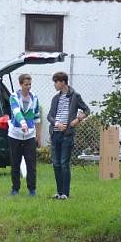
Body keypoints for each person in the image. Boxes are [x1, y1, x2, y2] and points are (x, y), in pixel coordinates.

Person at [47, 71, 91, 200]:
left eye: (56, 82)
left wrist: (77, 120)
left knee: (64, 163)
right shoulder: (55, 98)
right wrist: (57, 123)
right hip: (55, 133)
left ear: (63, 82)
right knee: (56, 163)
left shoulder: (75, 96)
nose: (55, 85)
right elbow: (49, 116)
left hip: (67, 134)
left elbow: (87, 110)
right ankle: (59, 192)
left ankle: (66, 193)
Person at [7, 74, 41, 196]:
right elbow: (16, 111)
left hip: (30, 135)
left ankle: (32, 189)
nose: (28, 87)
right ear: (20, 84)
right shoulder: (14, 97)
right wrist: (22, 123)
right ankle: (15, 188)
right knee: (15, 162)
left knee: (31, 163)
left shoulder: (35, 98)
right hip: (15, 134)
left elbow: (37, 117)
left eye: (30, 84)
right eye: (26, 84)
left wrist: (38, 135)